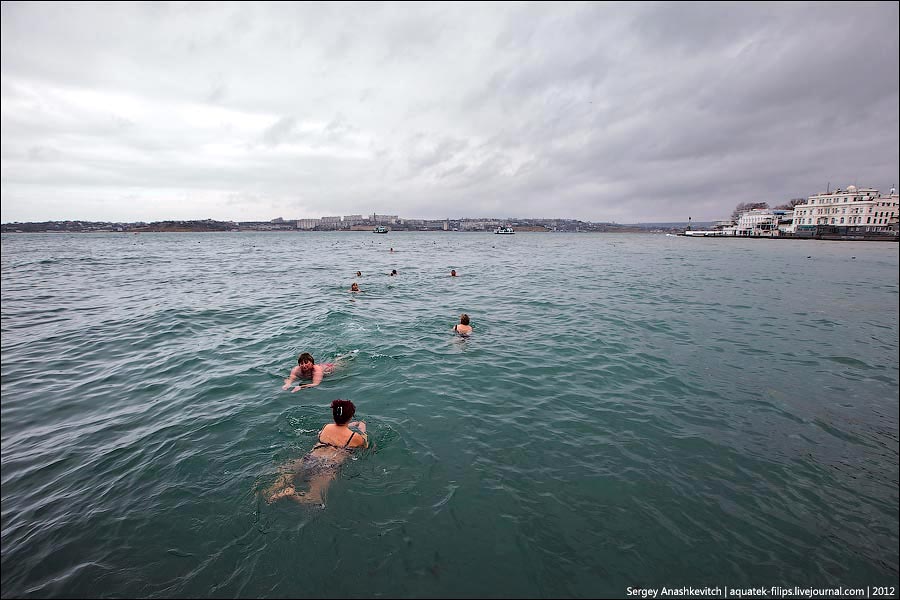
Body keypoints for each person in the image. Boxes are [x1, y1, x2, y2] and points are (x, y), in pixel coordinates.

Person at [265, 399, 369, 505]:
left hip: (310, 458)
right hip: (327, 466)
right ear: (351, 417)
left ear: (334, 415)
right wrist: (362, 430)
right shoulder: (354, 437)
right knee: (314, 499)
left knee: (287, 475)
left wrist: (350, 424)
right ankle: (292, 494)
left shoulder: (326, 427)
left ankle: (270, 491)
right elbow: (365, 446)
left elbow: (337, 428)